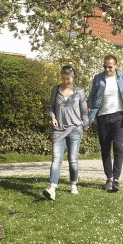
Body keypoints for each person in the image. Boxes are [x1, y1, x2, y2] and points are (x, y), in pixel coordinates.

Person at [88, 54, 123, 192]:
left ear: (116, 66)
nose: (107, 69)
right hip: (103, 118)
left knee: (118, 149)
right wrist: (90, 110)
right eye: (105, 66)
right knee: (105, 149)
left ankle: (116, 179)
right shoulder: (98, 78)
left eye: (110, 67)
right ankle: (109, 177)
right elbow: (91, 97)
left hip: (119, 117)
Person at [43, 65, 88, 201]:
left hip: (75, 129)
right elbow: (51, 107)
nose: (65, 81)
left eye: (67, 79)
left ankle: (73, 184)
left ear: (73, 78)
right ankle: (52, 188)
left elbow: (85, 111)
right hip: (59, 129)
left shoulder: (79, 91)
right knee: (56, 159)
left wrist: (84, 126)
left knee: (72, 159)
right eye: (63, 78)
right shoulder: (56, 90)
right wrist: (52, 117)